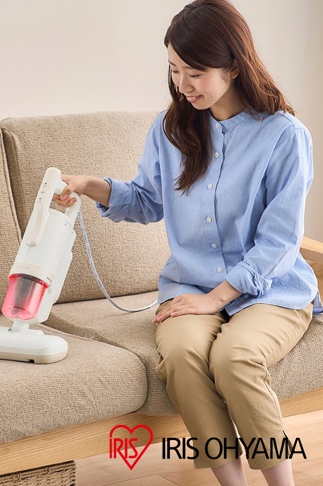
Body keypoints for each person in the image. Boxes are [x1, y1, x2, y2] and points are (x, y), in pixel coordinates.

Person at [53, 0, 322, 484]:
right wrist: (92, 186)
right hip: (189, 286)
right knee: (181, 357)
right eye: (175, 70)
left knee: (234, 358)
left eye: (195, 73)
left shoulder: (285, 136)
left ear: (234, 66)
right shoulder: (171, 129)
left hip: (271, 291)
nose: (182, 84)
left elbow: (280, 240)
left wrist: (217, 298)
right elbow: (146, 200)